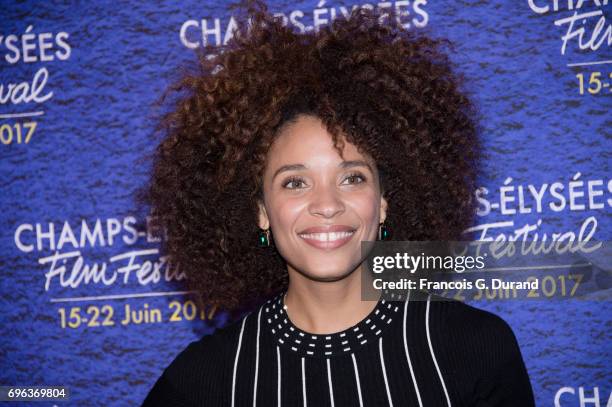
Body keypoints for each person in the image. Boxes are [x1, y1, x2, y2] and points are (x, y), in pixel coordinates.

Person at [140, 1, 535, 405]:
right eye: (295, 182)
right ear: (260, 210)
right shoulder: (200, 383)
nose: (326, 204)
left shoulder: (475, 350)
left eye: (352, 178)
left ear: (384, 202)